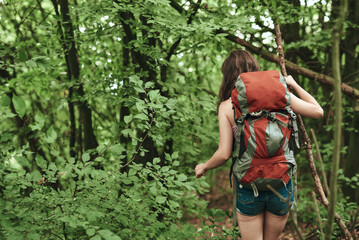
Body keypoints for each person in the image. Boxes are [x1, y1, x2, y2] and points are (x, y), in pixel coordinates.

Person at [194, 49, 323, 240]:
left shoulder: (227, 106)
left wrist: (204, 166)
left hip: (249, 184)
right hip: (281, 182)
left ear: (228, 75)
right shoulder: (280, 95)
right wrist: (293, 84)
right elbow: (318, 111)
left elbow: (223, 154)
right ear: (254, 68)